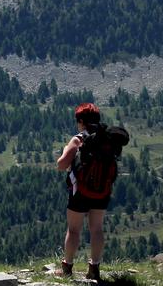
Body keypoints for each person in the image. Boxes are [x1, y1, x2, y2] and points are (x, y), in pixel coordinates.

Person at [54, 102, 109, 281]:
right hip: (102, 190)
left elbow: (61, 165)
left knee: (74, 230)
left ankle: (67, 268)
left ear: (81, 121)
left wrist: (65, 151)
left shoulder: (78, 139)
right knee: (97, 229)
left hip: (80, 191)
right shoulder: (106, 138)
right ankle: (94, 267)